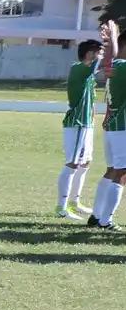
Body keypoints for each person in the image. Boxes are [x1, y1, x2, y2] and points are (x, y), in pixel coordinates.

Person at [59, 34, 107, 219]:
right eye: (98, 54)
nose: (101, 58)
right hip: (77, 124)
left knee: (85, 163)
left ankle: (75, 202)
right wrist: (111, 42)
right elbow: (99, 64)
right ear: (89, 54)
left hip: (86, 125)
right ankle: (61, 207)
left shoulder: (87, 74)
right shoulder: (79, 68)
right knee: (72, 163)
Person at [87, 20, 122, 229]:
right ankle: (105, 220)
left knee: (112, 171)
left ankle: (97, 215)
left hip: (111, 125)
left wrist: (110, 40)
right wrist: (112, 40)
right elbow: (112, 59)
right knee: (121, 173)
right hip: (122, 127)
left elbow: (110, 60)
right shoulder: (122, 67)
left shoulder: (117, 69)